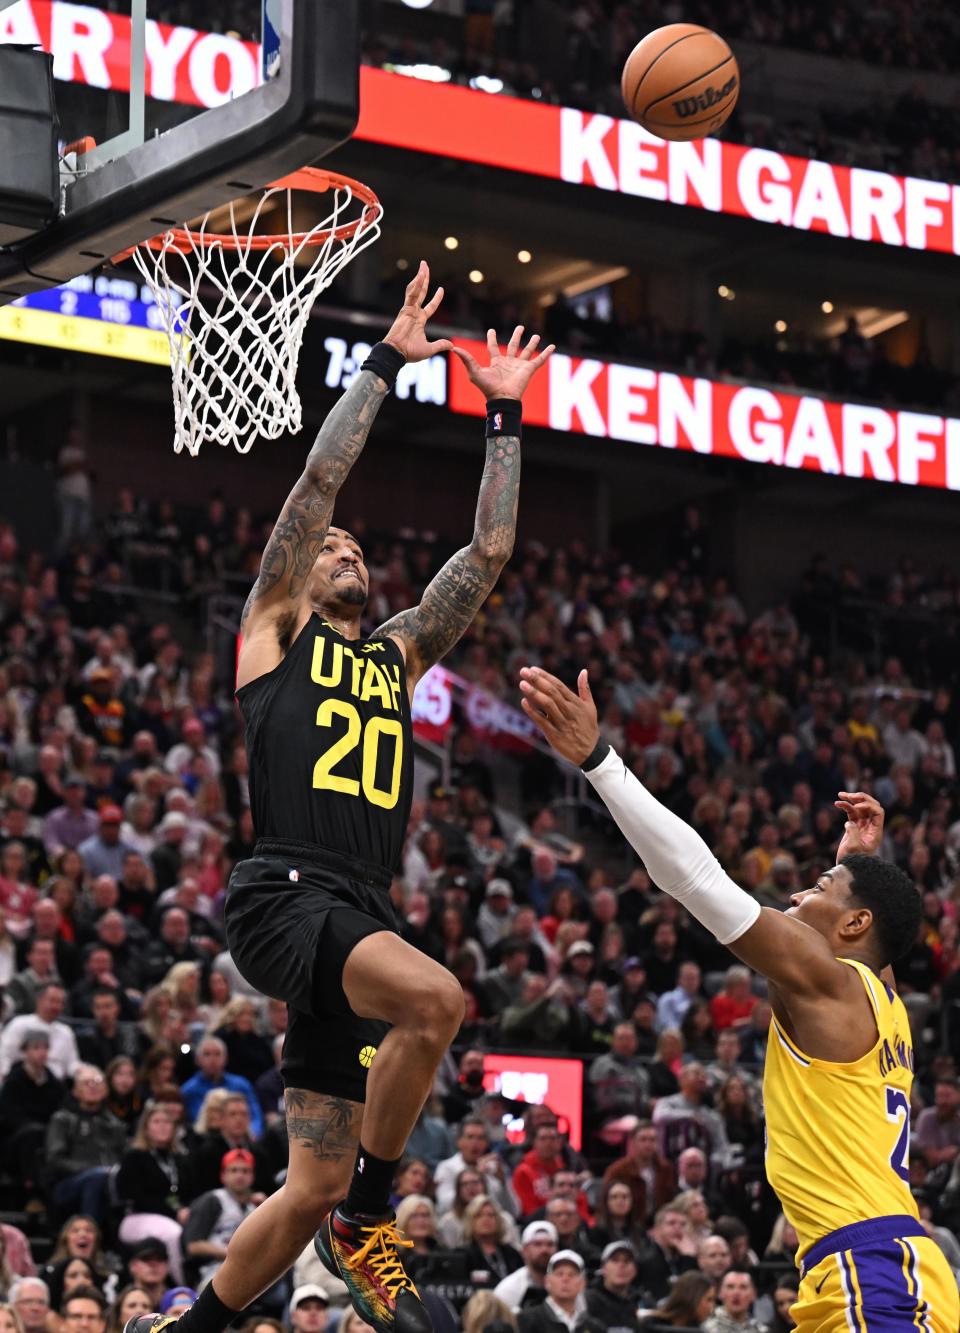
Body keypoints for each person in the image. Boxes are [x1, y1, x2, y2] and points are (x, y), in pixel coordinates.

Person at [127, 271, 553, 1333]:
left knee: (307, 1178)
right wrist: (384, 367)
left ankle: (196, 1326)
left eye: (360, 549)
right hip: (285, 896)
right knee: (440, 1002)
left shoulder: (398, 654)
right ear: (300, 571)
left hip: (354, 909)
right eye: (334, 549)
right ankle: (374, 1211)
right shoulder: (272, 631)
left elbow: (488, 555)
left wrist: (502, 411)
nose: (348, 549)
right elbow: (314, 483)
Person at [517, 664, 960, 1332]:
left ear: (853, 925)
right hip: (869, 1263)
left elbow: (696, 878)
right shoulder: (881, 999)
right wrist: (859, 866)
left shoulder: (831, 982)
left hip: (871, 1269)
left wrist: (599, 761)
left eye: (821, 883)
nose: (800, 891)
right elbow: (872, 937)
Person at [493, 1222, 558, 1314]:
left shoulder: (569, 1284)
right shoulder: (508, 1289)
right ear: (524, 1250)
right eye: (537, 1244)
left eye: (550, 1244)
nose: (544, 1250)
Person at [516, 1251, 587, 1333]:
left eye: (572, 1274)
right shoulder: (526, 1320)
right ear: (547, 1281)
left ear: (582, 1284)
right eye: (559, 1274)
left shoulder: (592, 1326)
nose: (565, 1279)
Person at [584, 1242, 641, 1333]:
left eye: (627, 1261)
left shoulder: (640, 1302)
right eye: (615, 1260)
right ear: (603, 1268)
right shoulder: (587, 1301)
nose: (621, 1266)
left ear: (635, 1270)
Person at [637, 1272, 716, 1330]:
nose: (712, 1306)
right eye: (709, 1300)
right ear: (692, 1298)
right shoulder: (650, 1325)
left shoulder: (701, 1329)